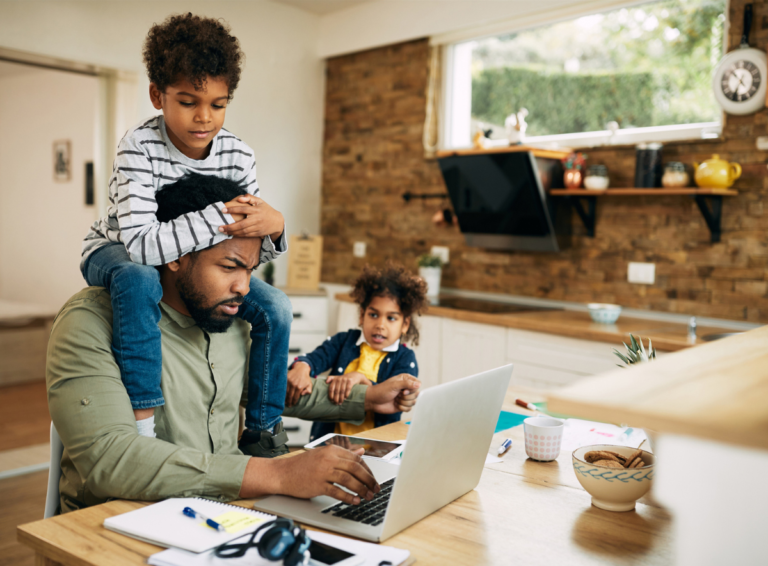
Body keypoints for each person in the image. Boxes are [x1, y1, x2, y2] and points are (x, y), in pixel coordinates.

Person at [47, 173, 421, 514]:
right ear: (174, 255)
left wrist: (368, 400)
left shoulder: (232, 316)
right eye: (229, 267)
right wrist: (278, 474)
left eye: (250, 270)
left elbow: (268, 390)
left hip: (228, 514)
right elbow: (110, 461)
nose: (243, 287)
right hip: (118, 524)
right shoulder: (90, 322)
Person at [80, 13, 293, 457]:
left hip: (179, 259)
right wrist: (219, 215)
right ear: (158, 95)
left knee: (275, 305)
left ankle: (263, 429)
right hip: (115, 247)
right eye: (188, 101)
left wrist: (275, 226)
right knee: (140, 279)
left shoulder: (238, 154)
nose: (204, 117)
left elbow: (243, 248)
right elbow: (141, 244)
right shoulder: (138, 147)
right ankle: (143, 424)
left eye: (218, 104)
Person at [286, 264, 428, 441]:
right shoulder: (343, 341)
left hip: (375, 450)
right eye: (373, 315)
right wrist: (302, 366)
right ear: (362, 316)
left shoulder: (405, 359)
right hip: (331, 443)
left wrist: (361, 380)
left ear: (405, 324)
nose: (380, 325)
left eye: (391, 318)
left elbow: (393, 397)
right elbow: (315, 358)